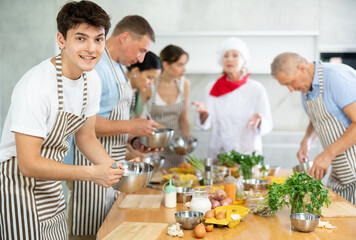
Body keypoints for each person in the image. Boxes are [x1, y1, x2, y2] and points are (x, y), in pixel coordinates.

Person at [0, 1, 124, 239]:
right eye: (80, 38)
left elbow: (86, 137)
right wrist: (91, 173)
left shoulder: (92, 80)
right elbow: (28, 164)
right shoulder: (36, 86)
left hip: (51, 183)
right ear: (61, 40)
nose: (91, 48)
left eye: (98, 39)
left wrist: (119, 170)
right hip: (18, 186)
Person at [66, 15, 160, 239]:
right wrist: (132, 125)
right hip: (89, 169)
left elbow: (111, 118)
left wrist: (134, 140)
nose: (140, 59)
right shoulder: (97, 68)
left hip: (109, 169)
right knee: (88, 233)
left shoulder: (117, 68)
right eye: (141, 50)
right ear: (124, 38)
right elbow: (86, 125)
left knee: (106, 230)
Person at [271, 52, 356, 204]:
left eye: (290, 83)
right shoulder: (306, 90)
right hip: (342, 174)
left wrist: (328, 154)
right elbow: (317, 120)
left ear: (301, 68)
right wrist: (307, 141)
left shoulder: (336, 78)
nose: (291, 89)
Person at [192, 37, 273, 161]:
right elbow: (205, 125)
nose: (229, 59)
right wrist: (204, 113)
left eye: (235, 55)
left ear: (244, 61)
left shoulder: (256, 88)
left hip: (248, 155)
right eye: (226, 56)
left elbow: (268, 124)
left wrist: (260, 120)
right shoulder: (213, 87)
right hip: (220, 154)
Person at [146, 45, 192, 168]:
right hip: (154, 146)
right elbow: (141, 116)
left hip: (176, 147)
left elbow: (183, 117)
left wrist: (186, 141)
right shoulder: (150, 83)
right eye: (180, 65)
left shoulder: (184, 84)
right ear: (166, 65)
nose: (184, 69)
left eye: (184, 64)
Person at [126, 51, 162, 118]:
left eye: (154, 79)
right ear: (135, 71)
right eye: (149, 77)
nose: (151, 83)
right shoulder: (119, 91)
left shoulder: (137, 92)